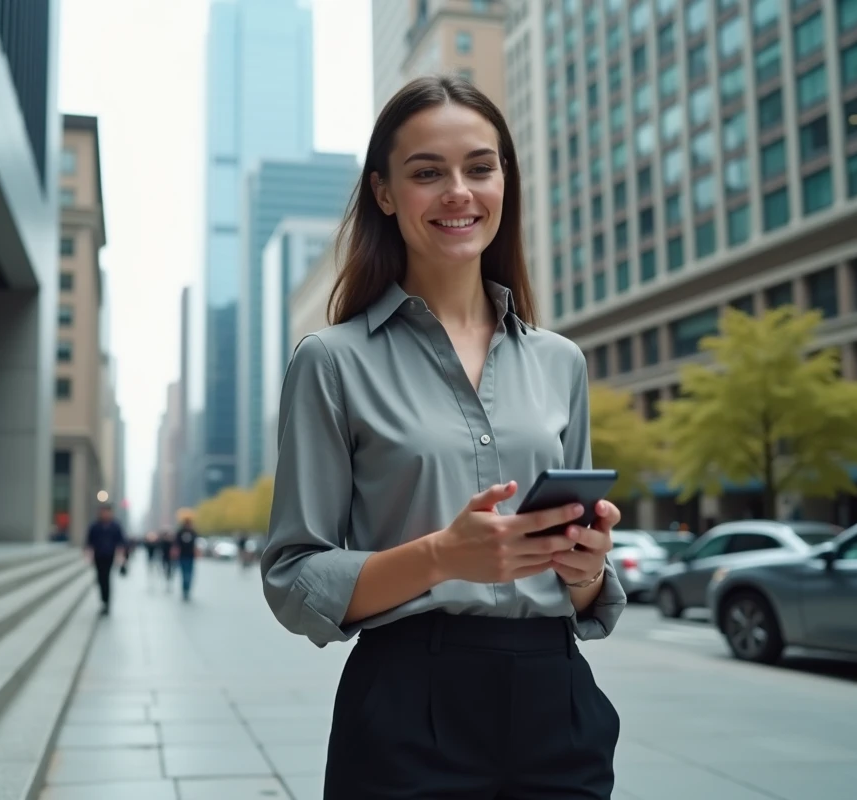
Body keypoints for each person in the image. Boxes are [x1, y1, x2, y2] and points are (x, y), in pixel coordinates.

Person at [260, 76, 626, 799]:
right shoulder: (332, 361)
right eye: (428, 172)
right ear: (386, 194)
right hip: (406, 706)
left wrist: (584, 567)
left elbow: (584, 588)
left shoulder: (560, 361)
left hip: (559, 706)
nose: (459, 191)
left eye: (479, 168)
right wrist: (443, 556)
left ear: (504, 183)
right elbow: (294, 578)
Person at [85, 503, 126, 615]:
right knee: (100, 578)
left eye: (107, 512)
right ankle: (103, 600)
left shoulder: (115, 526)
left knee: (106, 578)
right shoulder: (95, 526)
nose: (105, 514)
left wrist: (121, 557)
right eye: (103, 512)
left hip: (109, 556)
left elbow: (121, 542)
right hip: (98, 556)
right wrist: (89, 554)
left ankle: (106, 602)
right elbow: (89, 542)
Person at [173, 515, 199, 601]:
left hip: (190, 557)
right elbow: (176, 544)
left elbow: (196, 544)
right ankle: (184, 590)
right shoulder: (180, 532)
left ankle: (187, 590)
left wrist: (197, 552)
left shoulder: (193, 532)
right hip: (182, 557)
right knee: (184, 575)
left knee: (190, 575)